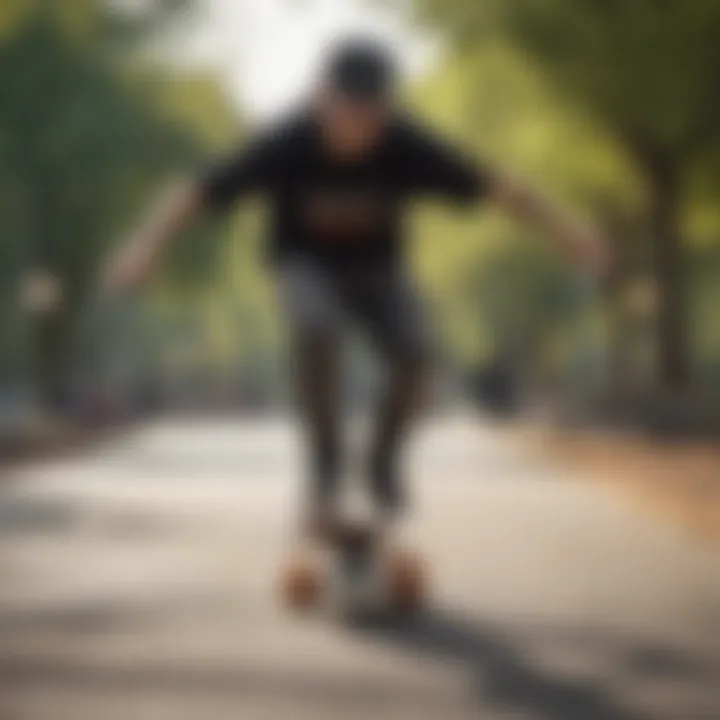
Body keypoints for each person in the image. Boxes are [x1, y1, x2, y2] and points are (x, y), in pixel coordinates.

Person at [102, 38, 608, 544]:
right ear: (321, 98)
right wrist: (144, 245)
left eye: (371, 120)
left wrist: (567, 231)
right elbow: (196, 192)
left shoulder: (404, 144)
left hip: (379, 271)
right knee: (317, 327)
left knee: (415, 353)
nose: (357, 132)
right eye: (346, 116)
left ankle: (382, 463)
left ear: (386, 112)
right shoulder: (285, 142)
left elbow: (497, 186)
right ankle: (325, 469)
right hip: (304, 266)